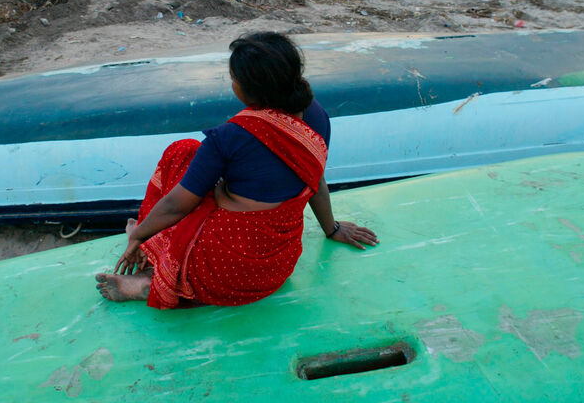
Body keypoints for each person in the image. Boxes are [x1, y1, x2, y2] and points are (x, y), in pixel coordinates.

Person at [96, 32, 378, 309]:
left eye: (233, 80)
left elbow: (174, 207)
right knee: (204, 176)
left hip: (221, 271)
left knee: (181, 153)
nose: (232, 85)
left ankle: (152, 279)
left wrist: (139, 235)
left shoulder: (228, 138)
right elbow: (316, 179)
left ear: (249, 90)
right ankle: (152, 247)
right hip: (275, 269)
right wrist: (333, 228)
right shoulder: (316, 117)